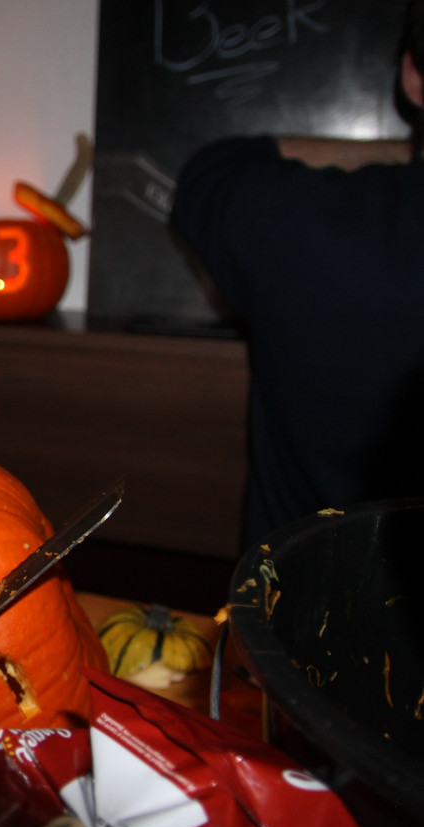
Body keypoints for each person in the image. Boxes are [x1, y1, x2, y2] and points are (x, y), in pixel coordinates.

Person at [171, 0, 424, 550]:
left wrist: (404, 154)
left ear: (412, 77)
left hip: (295, 621)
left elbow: (208, 173)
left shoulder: (298, 220)